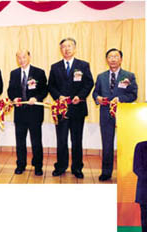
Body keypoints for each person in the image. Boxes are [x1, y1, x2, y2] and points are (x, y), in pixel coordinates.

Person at [48, 37, 94, 178]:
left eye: (69, 46)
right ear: (60, 49)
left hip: (77, 108)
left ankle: (77, 168)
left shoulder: (83, 65)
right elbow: (51, 86)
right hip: (61, 109)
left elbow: (89, 83)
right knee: (61, 139)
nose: (66, 49)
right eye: (63, 47)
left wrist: (79, 96)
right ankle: (61, 166)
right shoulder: (55, 67)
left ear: (75, 48)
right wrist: (58, 97)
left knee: (76, 140)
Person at [92, 48, 138, 181]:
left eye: (115, 56)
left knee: (124, 143)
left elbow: (133, 94)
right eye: (110, 57)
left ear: (121, 59)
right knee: (107, 144)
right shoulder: (101, 76)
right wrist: (98, 98)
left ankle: (126, 173)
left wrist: (121, 99)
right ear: (107, 60)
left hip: (123, 114)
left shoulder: (129, 76)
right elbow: (95, 92)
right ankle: (106, 172)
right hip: (106, 113)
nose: (112, 59)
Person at [7, 49, 48, 176]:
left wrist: (36, 98)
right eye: (19, 58)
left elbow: (44, 90)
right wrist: (13, 98)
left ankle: (38, 165)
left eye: (24, 57)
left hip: (34, 112)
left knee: (36, 140)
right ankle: (21, 164)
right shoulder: (14, 73)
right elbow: (10, 90)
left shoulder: (39, 72)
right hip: (19, 113)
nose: (21, 60)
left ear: (29, 57)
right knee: (20, 141)